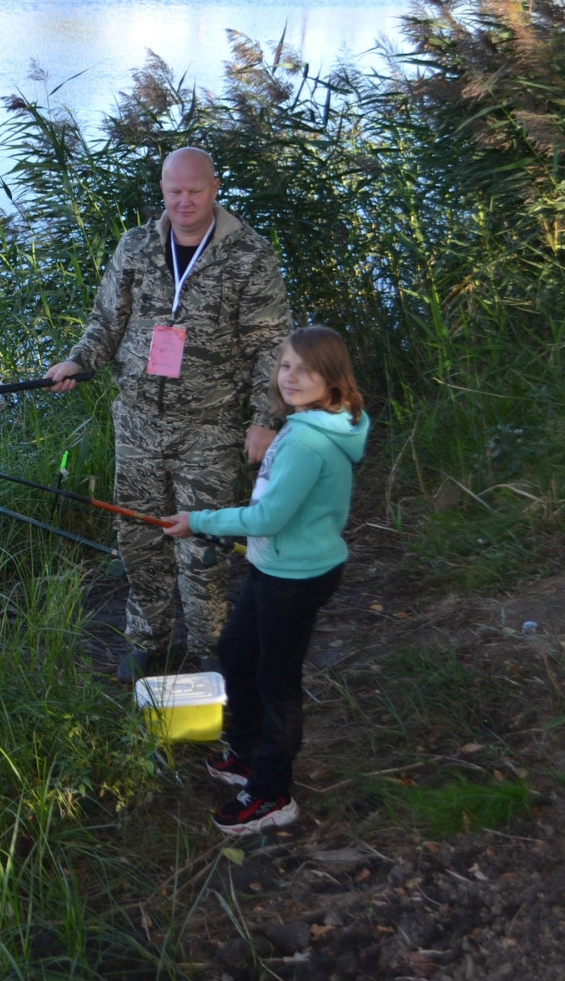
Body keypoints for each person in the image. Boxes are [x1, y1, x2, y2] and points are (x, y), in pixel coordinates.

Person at [45, 147, 290, 678]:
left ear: (215, 187)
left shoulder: (249, 254)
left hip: (212, 428)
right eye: (174, 191)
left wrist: (264, 420)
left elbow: (271, 346)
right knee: (139, 539)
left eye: (194, 191)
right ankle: (147, 640)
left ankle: (210, 650)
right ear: (161, 189)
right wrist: (77, 360)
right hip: (135, 424)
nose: (184, 201)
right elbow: (106, 320)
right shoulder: (135, 246)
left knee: (201, 548)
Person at [161, 326, 369, 835]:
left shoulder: (305, 443)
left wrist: (200, 521)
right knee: (236, 649)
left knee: (277, 683)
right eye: (285, 366)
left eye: (307, 369)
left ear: (333, 379)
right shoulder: (312, 425)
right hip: (275, 567)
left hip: (293, 579)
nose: (292, 377)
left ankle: (273, 793)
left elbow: (267, 518)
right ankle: (247, 751)